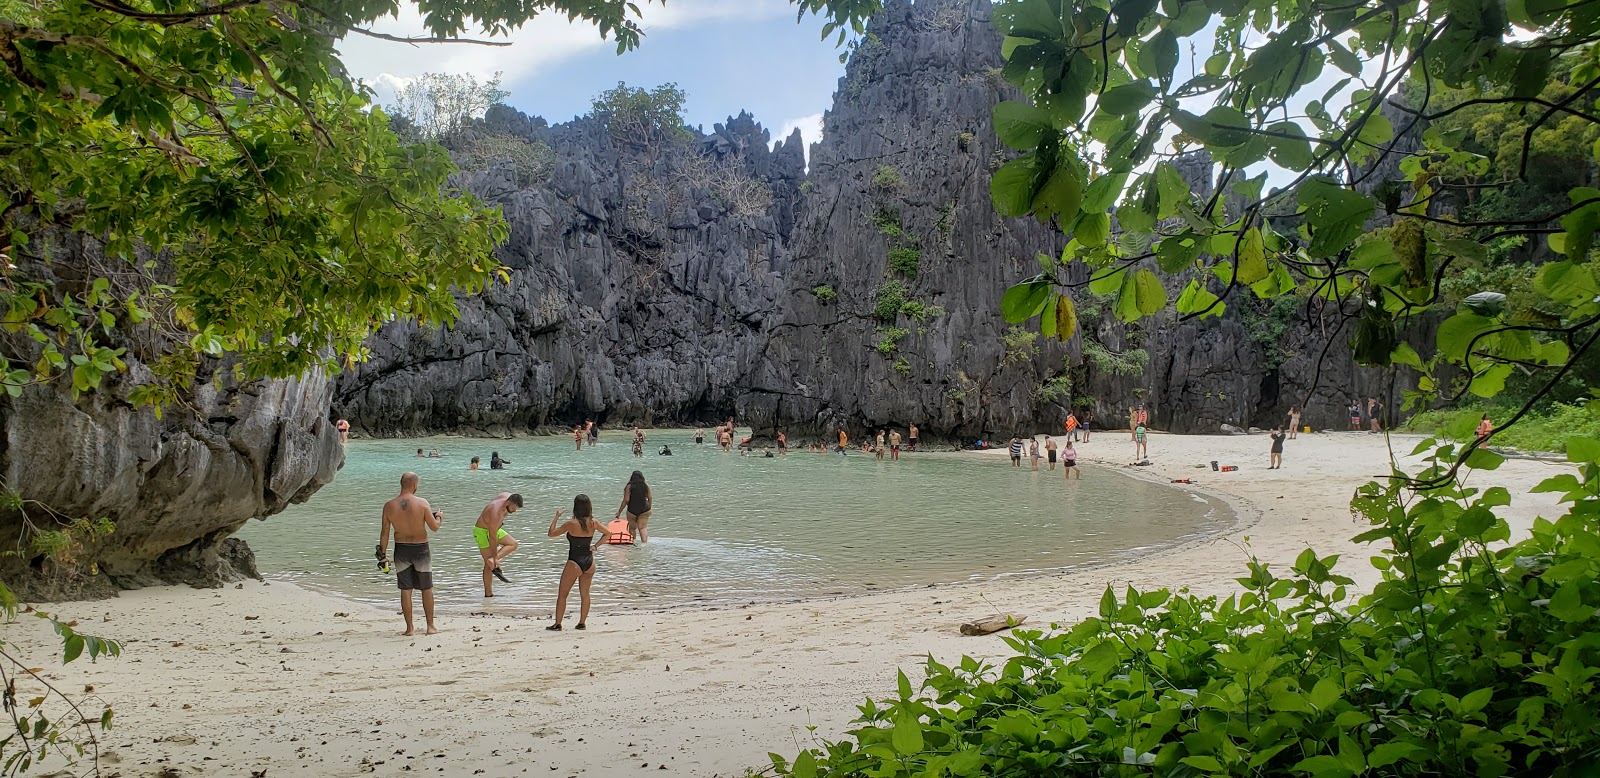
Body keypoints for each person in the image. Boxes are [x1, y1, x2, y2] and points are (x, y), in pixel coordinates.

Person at [376, 472, 442, 636]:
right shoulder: (422, 503)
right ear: (415, 485)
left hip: (401, 549)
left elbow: (384, 532)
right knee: (426, 588)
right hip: (421, 549)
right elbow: (434, 527)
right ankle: (430, 626)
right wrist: (440, 517)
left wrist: (383, 555)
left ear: (401, 484)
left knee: (406, 589)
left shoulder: (389, 505)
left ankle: (409, 628)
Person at [545, 495, 612, 631]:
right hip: (589, 562)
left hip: (574, 562)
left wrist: (556, 516)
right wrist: (595, 546)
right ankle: (582, 623)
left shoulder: (572, 523)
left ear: (576, 507)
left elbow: (551, 534)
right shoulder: (594, 523)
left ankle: (558, 624)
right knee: (585, 594)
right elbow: (608, 533)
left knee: (563, 594)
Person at [473, 492, 523, 597]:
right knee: (488, 564)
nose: (514, 511)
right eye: (514, 508)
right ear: (508, 502)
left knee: (513, 544)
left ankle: (492, 560)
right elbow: (492, 537)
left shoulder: (506, 496)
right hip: (482, 531)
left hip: (494, 528)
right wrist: (495, 557)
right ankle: (488, 593)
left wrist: (495, 558)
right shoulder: (496, 513)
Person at [615, 471, 652, 544]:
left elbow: (626, 500)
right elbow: (650, 497)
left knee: (632, 528)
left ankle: (633, 543)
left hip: (632, 509)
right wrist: (650, 507)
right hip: (644, 509)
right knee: (642, 528)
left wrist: (619, 512)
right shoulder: (645, 485)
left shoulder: (629, 486)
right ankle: (644, 544)